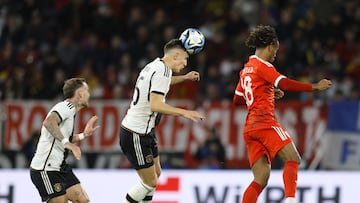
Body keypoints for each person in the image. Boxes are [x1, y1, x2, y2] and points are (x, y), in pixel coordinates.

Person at [233, 25, 332, 203]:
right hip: (264, 122)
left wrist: (265, 91)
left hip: (250, 128)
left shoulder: (246, 69)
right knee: (293, 158)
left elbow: (237, 100)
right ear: (271, 46)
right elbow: (284, 83)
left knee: (260, 179)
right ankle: (291, 200)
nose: (275, 55)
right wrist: (315, 87)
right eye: (276, 50)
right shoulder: (263, 66)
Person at [119, 39, 205, 203]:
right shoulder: (162, 71)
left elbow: (163, 81)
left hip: (145, 131)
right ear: (176, 55)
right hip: (135, 133)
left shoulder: (154, 65)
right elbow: (155, 105)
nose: (186, 63)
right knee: (150, 181)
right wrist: (184, 112)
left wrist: (184, 77)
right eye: (185, 59)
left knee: (156, 175)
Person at [30, 78, 100, 203]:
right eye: (87, 91)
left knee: (82, 200)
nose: (89, 94)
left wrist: (83, 135)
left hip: (60, 166)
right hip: (46, 168)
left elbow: (61, 137)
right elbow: (49, 122)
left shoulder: (70, 111)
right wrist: (67, 144)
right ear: (79, 94)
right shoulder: (65, 107)